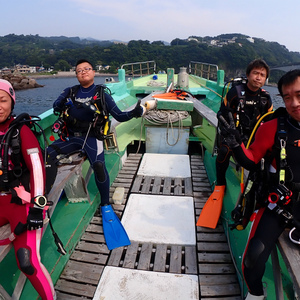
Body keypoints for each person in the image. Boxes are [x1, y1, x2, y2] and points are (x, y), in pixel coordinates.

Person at [218, 69, 300, 299]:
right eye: (287, 97)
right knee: (253, 258)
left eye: (299, 95)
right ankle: (255, 294)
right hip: (281, 206)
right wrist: (234, 143)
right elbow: (251, 161)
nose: (294, 103)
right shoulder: (273, 127)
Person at [47, 59, 145, 250]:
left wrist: (135, 112)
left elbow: (119, 115)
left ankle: (106, 205)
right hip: (70, 137)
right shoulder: (70, 91)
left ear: (93, 72)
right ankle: (43, 198)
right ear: (76, 75)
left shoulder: (101, 94)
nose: (83, 72)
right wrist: (61, 103)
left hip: (92, 138)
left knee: (99, 166)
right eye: (79, 70)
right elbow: (56, 106)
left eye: (86, 69)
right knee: (46, 155)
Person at [196, 59, 273, 229]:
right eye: (255, 73)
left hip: (253, 138)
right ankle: (220, 184)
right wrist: (230, 133)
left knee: (264, 164)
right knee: (224, 151)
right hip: (233, 135)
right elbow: (222, 115)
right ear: (248, 75)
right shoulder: (235, 93)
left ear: (265, 78)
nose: (258, 78)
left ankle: (259, 197)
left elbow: (270, 121)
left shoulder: (266, 98)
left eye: (262, 75)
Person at [0, 79, 55, 299]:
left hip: (20, 203)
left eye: (2, 100)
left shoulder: (21, 131)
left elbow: (37, 169)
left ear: (12, 102)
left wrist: (36, 207)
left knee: (27, 260)